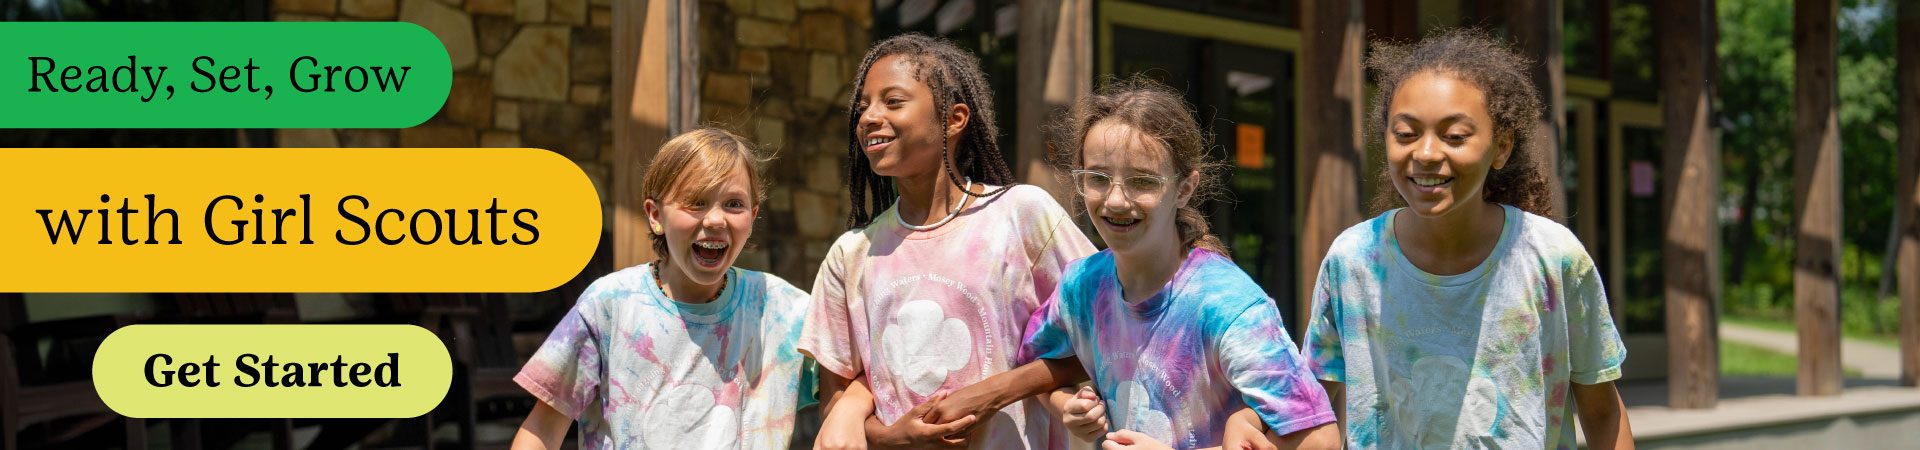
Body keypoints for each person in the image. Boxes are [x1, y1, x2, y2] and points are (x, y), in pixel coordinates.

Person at [1302, 29, 1634, 449]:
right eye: (1405, 133)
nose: (1425, 152)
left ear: (1502, 147)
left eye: (1455, 136)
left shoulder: (1554, 257)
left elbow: (1602, 412)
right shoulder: (1353, 261)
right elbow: (1307, 411)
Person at [802, 33, 1097, 450]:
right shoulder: (851, 255)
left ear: (954, 119)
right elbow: (835, 403)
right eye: (863, 105)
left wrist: (998, 391)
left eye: (893, 101)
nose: (868, 117)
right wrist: (893, 437)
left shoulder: (1021, 215)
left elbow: (1107, 329)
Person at [510, 128, 813, 450]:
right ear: (656, 215)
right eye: (695, 202)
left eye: (733, 204)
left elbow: (858, 374)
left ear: (752, 216)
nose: (715, 219)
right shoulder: (611, 306)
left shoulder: (782, 310)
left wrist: (848, 406)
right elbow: (541, 430)